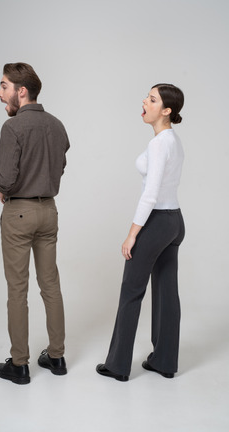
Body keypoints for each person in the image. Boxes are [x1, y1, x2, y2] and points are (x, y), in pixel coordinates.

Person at [96, 83, 185, 381]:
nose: (144, 102)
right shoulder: (174, 140)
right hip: (175, 221)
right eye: (147, 97)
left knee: (131, 291)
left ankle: (118, 366)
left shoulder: (159, 143)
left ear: (167, 110)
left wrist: (133, 233)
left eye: (152, 99)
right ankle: (164, 361)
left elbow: (151, 193)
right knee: (167, 293)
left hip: (157, 221)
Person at [0, 63, 70, 384]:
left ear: (20, 91)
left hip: (19, 212)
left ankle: (20, 363)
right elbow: (61, 164)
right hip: (48, 211)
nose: (0, 94)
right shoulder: (56, 125)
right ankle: (56, 357)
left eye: (4, 86)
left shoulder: (12, 128)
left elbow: (7, 177)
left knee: (18, 289)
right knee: (50, 284)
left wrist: (2, 188)